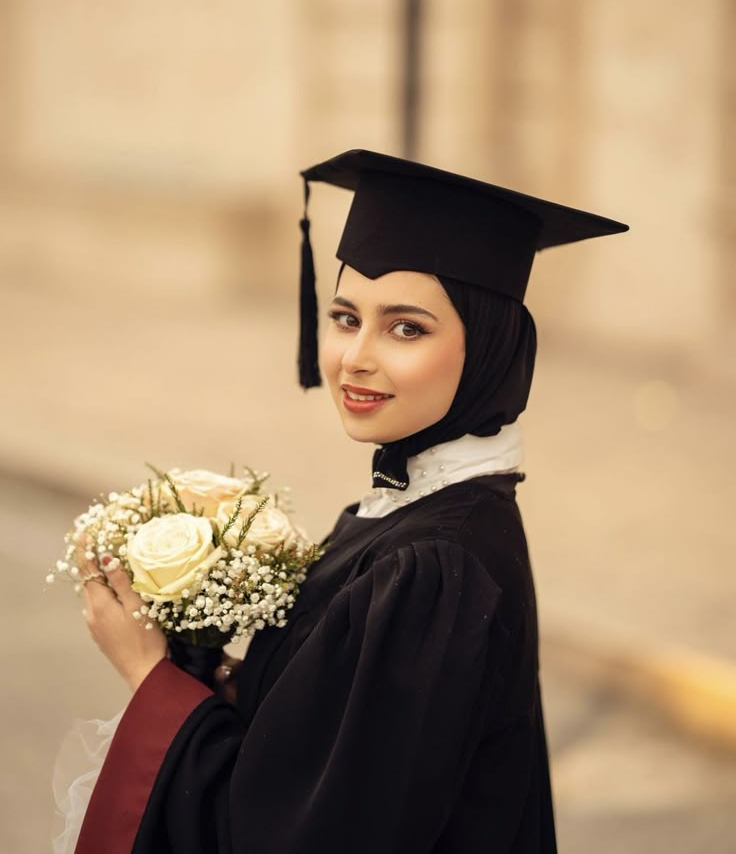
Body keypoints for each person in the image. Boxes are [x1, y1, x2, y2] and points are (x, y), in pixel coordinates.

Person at [73, 149, 628, 853]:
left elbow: (299, 834)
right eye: (344, 317)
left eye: (406, 328)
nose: (356, 357)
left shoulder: (435, 569)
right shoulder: (416, 513)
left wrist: (148, 674)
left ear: (489, 349)